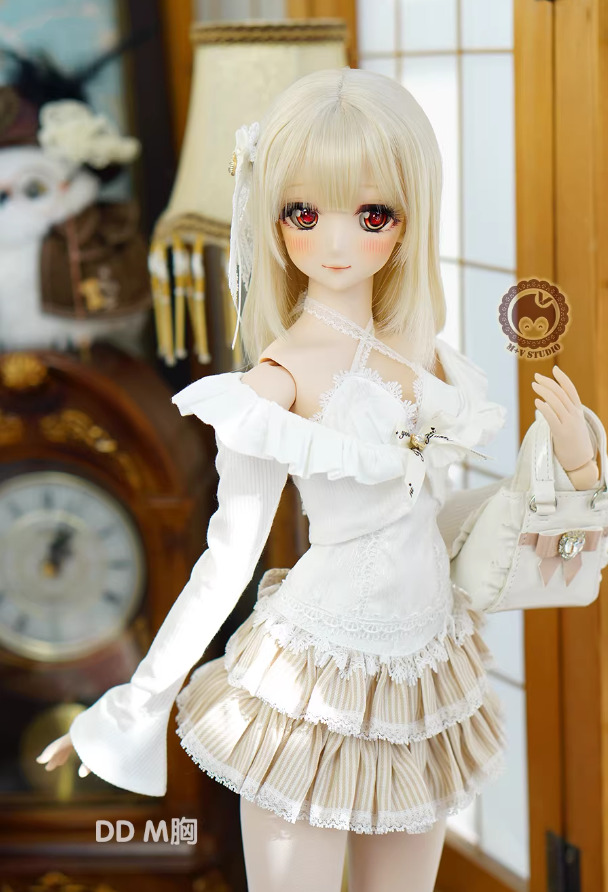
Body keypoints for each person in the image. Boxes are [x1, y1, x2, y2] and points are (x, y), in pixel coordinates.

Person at [36, 68, 599, 892]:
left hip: (424, 674)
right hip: (313, 677)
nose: (337, 243)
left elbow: (444, 516)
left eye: (372, 215)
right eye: (304, 213)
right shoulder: (274, 381)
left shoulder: (430, 358)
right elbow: (225, 560)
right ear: (271, 218)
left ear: (408, 220)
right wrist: (130, 706)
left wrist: (576, 463)